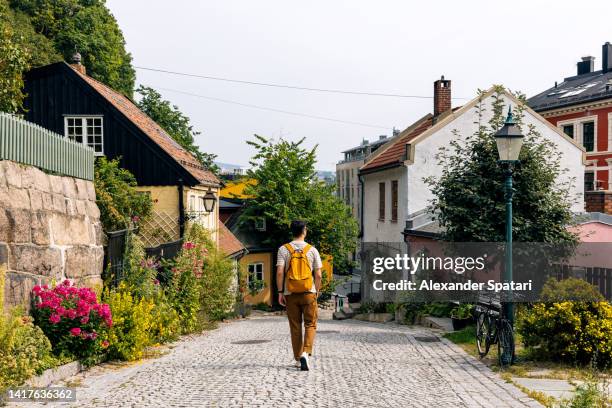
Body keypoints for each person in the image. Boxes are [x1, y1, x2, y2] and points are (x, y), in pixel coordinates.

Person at [276, 220, 322, 371]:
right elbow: (319, 275)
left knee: (295, 326)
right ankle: (305, 353)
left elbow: (280, 272)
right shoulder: (312, 250)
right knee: (310, 324)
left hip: (291, 293)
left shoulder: (284, 249)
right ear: (304, 231)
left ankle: (297, 358)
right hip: (309, 292)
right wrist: (317, 291)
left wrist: (280, 292)